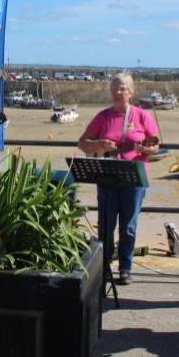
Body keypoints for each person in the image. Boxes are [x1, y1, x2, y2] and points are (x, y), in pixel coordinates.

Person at [77, 72, 159, 286]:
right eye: (114, 88)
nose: (117, 92)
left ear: (131, 92)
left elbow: (155, 146)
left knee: (128, 226)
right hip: (107, 177)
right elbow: (83, 143)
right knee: (105, 225)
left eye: (122, 88)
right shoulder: (103, 116)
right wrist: (98, 145)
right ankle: (103, 267)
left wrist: (145, 149)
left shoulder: (142, 115)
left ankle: (125, 268)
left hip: (134, 178)